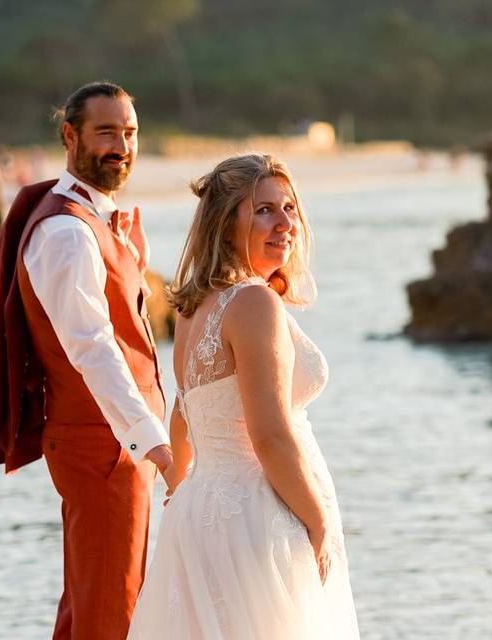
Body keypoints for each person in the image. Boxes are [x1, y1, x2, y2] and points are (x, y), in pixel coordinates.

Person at [0, 80, 174, 639]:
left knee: (91, 602)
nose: (121, 146)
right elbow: (91, 346)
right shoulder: (65, 232)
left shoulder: (100, 221)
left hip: (113, 441)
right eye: (106, 132)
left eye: (129, 133)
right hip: (102, 444)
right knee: (112, 611)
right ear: (70, 135)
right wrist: (150, 438)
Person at [127, 154, 360, 639]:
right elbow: (270, 435)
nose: (284, 223)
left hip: (203, 515)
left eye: (289, 207)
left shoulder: (194, 310)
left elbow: (184, 417)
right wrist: (318, 522)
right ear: (225, 222)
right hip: (259, 517)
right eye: (263, 210)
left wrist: (183, 487)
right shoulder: (254, 303)